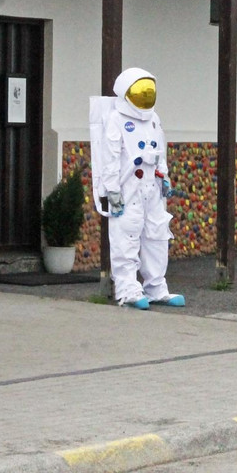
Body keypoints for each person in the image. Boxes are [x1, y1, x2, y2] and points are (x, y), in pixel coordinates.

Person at [90, 67, 185, 310]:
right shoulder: (116, 119)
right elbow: (110, 157)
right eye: (140, 91)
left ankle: (156, 287)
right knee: (127, 236)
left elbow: (160, 149)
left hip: (152, 187)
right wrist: (112, 189)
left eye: (148, 91)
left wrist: (164, 176)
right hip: (128, 188)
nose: (145, 96)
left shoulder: (153, 119)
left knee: (157, 236)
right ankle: (128, 289)